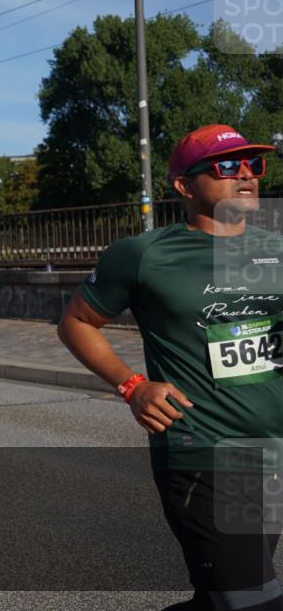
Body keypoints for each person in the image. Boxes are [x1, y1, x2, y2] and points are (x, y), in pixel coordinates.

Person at [57, 125, 282, 611]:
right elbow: (77, 321)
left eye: (253, 165)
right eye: (226, 166)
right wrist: (132, 386)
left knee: (223, 595)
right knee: (254, 600)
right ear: (184, 186)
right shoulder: (144, 255)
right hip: (204, 451)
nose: (245, 175)